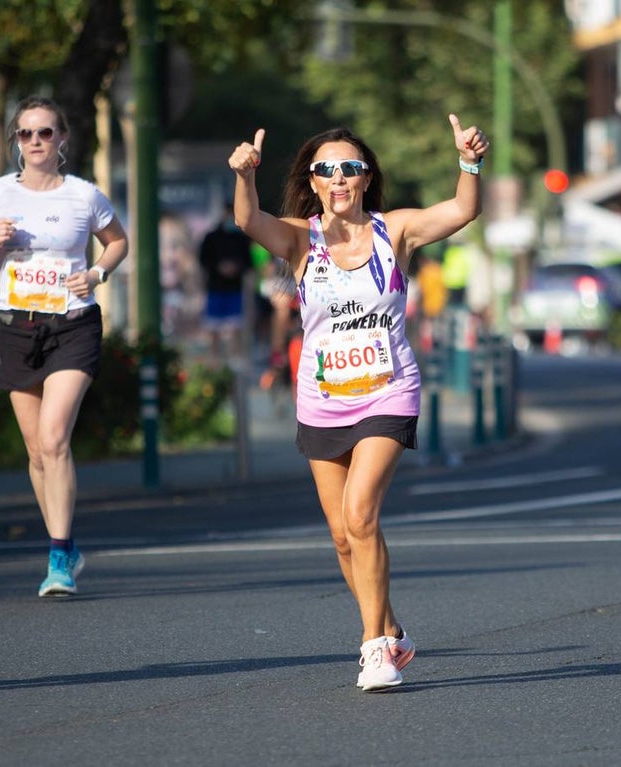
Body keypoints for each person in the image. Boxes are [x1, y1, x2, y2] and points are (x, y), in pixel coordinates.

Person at [228, 115, 489, 691]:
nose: (339, 177)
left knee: (361, 512)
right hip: (322, 400)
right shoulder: (301, 238)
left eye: (350, 167)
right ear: (314, 183)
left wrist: (469, 162)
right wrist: (245, 176)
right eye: (326, 170)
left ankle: (373, 648)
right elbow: (247, 219)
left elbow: (461, 210)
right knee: (343, 536)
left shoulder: (394, 231)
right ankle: (391, 627)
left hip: (389, 392)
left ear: (366, 178)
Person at [0, 96, 128, 598]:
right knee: (36, 452)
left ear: (62, 140)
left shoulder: (84, 196)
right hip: (17, 327)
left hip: (73, 326)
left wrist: (97, 273)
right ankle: (67, 545)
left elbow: (117, 241)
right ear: (16, 141)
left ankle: (59, 555)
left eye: (45, 133)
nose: (35, 142)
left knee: (55, 437)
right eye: (26, 134)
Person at [199, 202, 255, 361]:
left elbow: (248, 263)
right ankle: (214, 357)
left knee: (235, 326)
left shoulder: (240, 239)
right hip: (215, 288)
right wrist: (219, 268)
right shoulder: (211, 238)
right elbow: (203, 260)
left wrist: (235, 268)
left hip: (234, 289)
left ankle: (234, 357)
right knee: (213, 327)